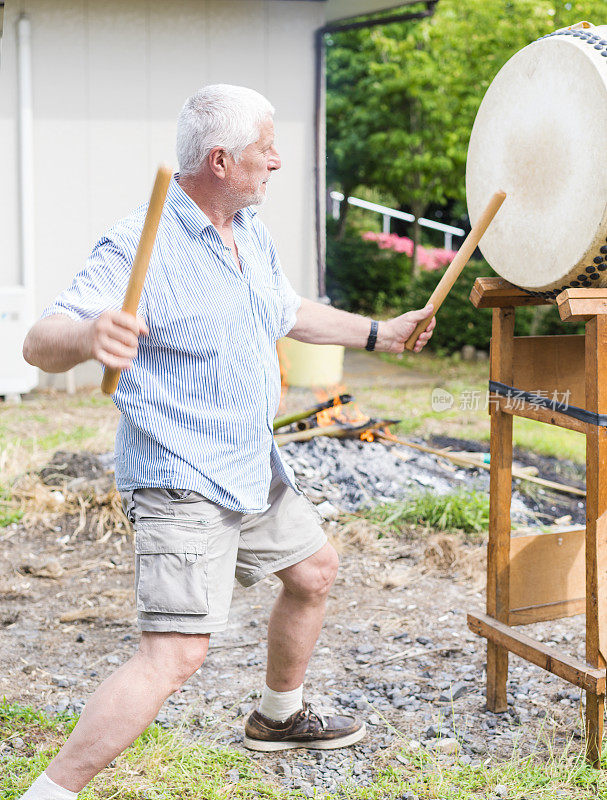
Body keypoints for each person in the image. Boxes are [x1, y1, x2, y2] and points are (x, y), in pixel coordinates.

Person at [20, 84, 435, 799]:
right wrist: (90, 335)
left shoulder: (247, 230)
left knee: (313, 573)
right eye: (264, 149)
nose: (275, 160)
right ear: (220, 160)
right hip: (182, 475)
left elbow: (285, 310)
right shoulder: (137, 243)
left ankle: (278, 716)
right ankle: (47, 794)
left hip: (249, 463)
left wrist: (379, 333)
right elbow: (39, 341)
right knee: (176, 654)